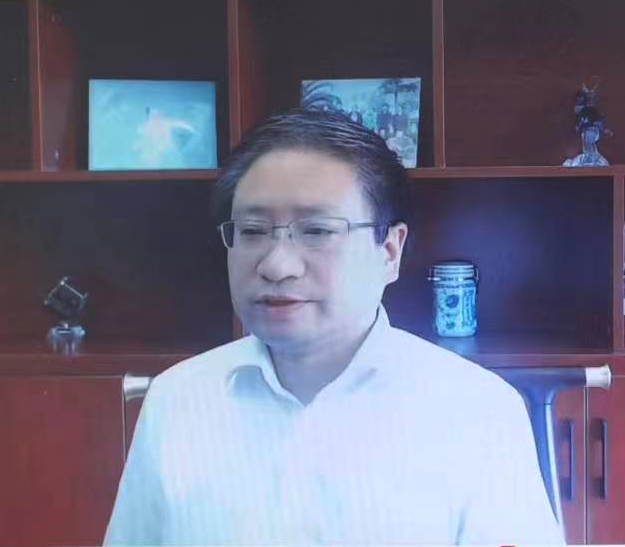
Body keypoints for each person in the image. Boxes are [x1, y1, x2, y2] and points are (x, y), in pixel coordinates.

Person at [104, 109, 563, 545]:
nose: (276, 265)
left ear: (389, 251)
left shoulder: (478, 410)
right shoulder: (177, 400)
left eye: (318, 231)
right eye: (252, 231)